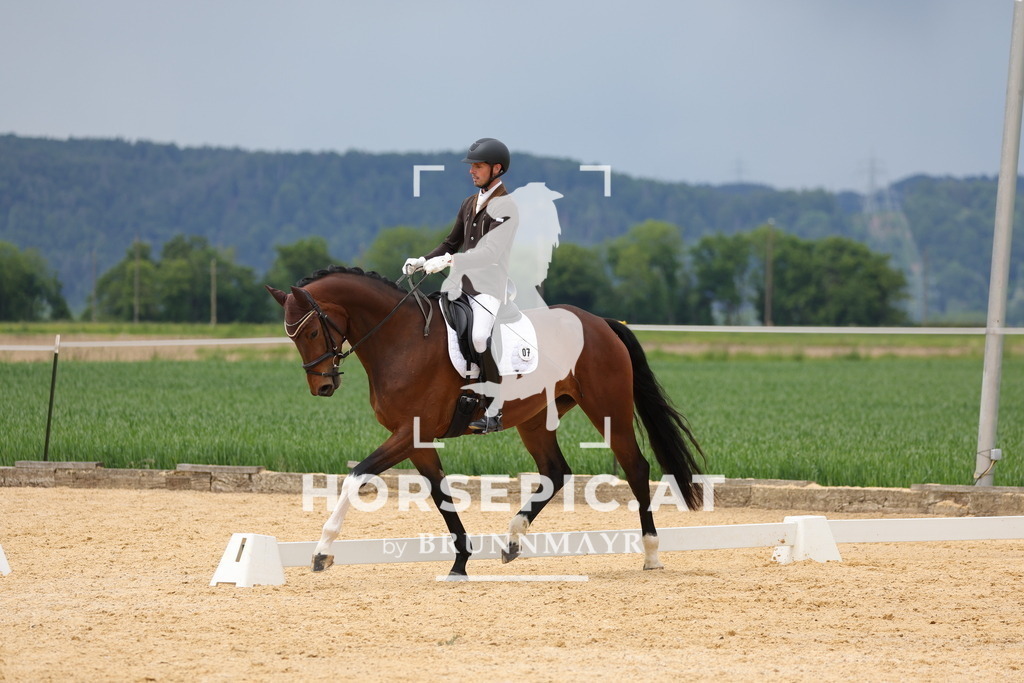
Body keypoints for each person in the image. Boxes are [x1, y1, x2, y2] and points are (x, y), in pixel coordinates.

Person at [403, 137, 513, 433]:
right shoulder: (469, 203)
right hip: (461, 286)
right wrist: (422, 260)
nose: (471, 171)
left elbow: (490, 253)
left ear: (496, 168)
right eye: (472, 166)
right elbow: (451, 242)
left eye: (478, 166)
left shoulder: (507, 206)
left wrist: (451, 261)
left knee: (479, 337)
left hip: (489, 288)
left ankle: (494, 409)